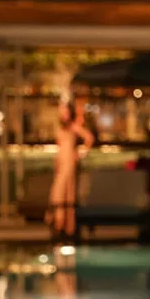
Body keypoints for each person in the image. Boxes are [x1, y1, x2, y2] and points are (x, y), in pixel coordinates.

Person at [49, 102, 92, 240]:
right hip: (61, 163)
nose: (63, 114)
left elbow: (89, 138)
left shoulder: (74, 126)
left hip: (69, 163)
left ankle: (67, 226)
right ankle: (60, 224)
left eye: (65, 111)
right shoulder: (60, 127)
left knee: (67, 193)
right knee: (59, 192)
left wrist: (81, 153)